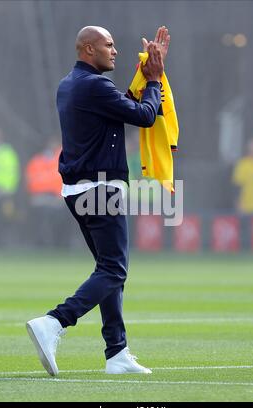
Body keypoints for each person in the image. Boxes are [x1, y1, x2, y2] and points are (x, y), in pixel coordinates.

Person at [26, 25, 169, 376]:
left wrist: (145, 73)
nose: (115, 50)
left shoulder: (71, 84)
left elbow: (121, 106)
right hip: (101, 189)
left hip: (78, 190)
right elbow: (145, 116)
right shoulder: (94, 85)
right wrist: (153, 82)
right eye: (109, 44)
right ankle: (55, 322)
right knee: (114, 269)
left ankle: (117, 351)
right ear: (88, 49)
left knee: (107, 269)